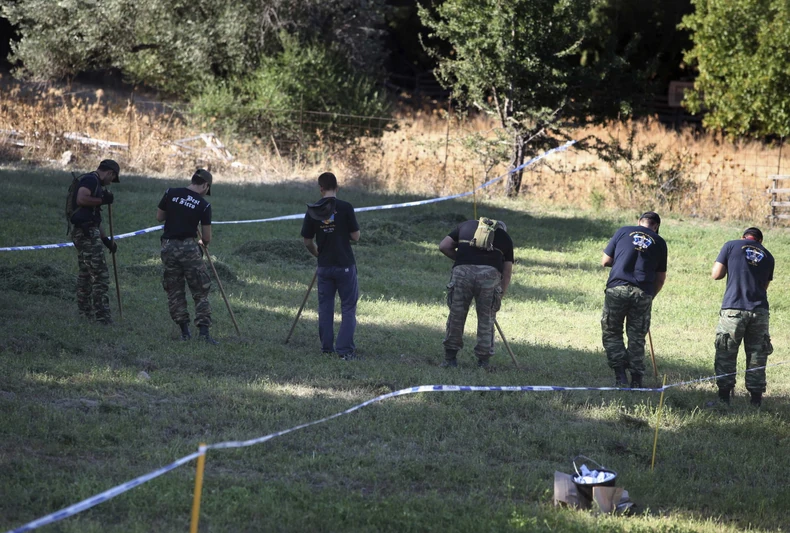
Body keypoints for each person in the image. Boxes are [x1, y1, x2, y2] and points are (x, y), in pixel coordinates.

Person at [600, 212, 667, 388]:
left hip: (617, 289)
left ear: (639, 222)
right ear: (656, 227)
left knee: (612, 332)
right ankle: (637, 379)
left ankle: (620, 374)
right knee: (637, 337)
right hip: (643, 292)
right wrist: (650, 296)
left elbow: (605, 261)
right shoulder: (660, 242)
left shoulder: (623, 231)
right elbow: (660, 279)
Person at [438, 217, 514, 369]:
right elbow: (507, 272)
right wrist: (499, 296)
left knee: (456, 316)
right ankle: (483, 362)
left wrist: (461, 259)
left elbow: (444, 246)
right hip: (489, 277)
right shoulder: (505, 237)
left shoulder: (464, 226)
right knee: (486, 320)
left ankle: (450, 359)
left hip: (462, 274)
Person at [711, 227, 774, 406]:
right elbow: (764, 287)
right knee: (757, 355)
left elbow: (716, 274)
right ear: (760, 241)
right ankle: (755, 401)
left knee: (726, 351)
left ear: (743, 237)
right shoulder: (768, 256)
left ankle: (724, 399)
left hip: (734, 308)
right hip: (760, 310)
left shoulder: (731, 245)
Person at [301, 172, 361, 360]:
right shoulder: (345, 207)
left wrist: (317, 252)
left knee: (325, 307)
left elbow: (307, 241)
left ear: (321, 188)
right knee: (348, 307)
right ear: (337, 187)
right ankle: (344, 351)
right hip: (345, 265)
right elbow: (356, 236)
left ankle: (327, 348)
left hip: (324, 266)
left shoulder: (313, 210)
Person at [156, 169, 217, 344]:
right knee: (200, 289)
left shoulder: (171, 193)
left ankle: (184, 331)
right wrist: (201, 244)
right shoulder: (204, 205)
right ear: (205, 185)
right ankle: (204, 333)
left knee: (174, 289)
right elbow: (206, 238)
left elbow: (159, 216)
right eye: (207, 189)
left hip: (168, 247)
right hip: (189, 249)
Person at [69, 159, 121, 325]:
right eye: (112, 178)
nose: (111, 182)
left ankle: (85, 313)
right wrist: (102, 200)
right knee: (100, 275)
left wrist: (106, 241)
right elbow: (81, 199)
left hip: (88, 231)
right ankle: (102, 317)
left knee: (86, 274)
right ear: (110, 173)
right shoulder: (91, 180)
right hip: (86, 234)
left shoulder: (96, 183)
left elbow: (94, 219)